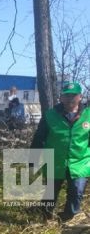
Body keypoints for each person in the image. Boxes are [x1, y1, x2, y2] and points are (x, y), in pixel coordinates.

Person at [30, 81, 90, 221]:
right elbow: (39, 138)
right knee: (51, 191)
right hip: (55, 160)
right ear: (61, 98)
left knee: (77, 191)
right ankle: (45, 216)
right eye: (66, 95)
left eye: (73, 95)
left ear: (80, 97)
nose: (70, 98)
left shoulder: (88, 115)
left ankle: (68, 218)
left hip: (80, 161)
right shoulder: (50, 115)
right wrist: (32, 160)